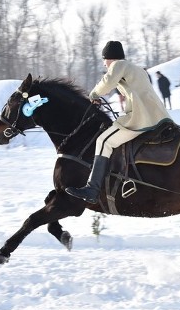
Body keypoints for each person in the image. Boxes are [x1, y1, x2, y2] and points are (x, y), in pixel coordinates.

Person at [65, 41, 171, 204]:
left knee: (103, 141)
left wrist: (93, 95)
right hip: (159, 117)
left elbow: (107, 82)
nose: (104, 64)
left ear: (109, 58)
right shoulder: (139, 70)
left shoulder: (118, 65)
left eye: (104, 60)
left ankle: (92, 189)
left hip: (140, 118)